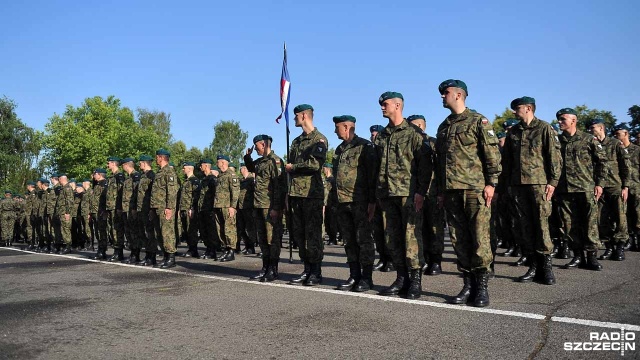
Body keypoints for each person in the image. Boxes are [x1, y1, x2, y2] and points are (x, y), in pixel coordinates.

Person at [435, 79, 501, 307]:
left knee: (480, 238)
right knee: (459, 239)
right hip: (451, 191)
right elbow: (440, 162)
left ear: (459, 95)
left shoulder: (478, 121)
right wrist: (441, 190)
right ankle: (468, 284)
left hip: (475, 189)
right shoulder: (444, 126)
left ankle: (481, 287)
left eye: (446, 92)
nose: (442, 96)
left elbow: (491, 155)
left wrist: (491, 182)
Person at [375, 92, 431, 299]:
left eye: (385, 104)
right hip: (388, 194)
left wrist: (420, 192)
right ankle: (401, 278)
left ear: (398, 106)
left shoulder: (414, 133)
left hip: (408, 194)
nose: (382, 107)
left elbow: (425, 166)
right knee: (393, 238)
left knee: (412, 238)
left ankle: (415, 281)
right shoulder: (382, 136)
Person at [501, 96, 562, 285]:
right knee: (524, 227)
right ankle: (533, 266)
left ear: (528, 108)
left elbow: (554, 156)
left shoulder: (544, 128)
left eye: (517, 108)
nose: (514, 111)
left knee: (542, 225)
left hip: (539, 185)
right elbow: (507, 162)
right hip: (518, 186)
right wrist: (507, 186)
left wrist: (552, 181)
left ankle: (546, 268)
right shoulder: (514, 132)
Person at [555, 108, 605, 271]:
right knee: (569, 224)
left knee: (590, 223)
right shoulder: (557, 141)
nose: (560, 122)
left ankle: (591, 256)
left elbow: (602, 163)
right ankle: (577, 256)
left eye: (563, 119)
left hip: (585, 187)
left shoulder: (588, 139)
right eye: (559, 119)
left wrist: (599, 184)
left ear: (573, 120)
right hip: (564, 189)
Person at [332, 115, 377, 291]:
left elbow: (372, 175)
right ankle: (354, 275)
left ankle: (366, 277)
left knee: (363, 240)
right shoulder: (339, 149)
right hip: (342, 202)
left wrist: (372, 201)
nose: (335, 131)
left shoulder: (364, 146)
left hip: (360, 201)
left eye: (337, 127)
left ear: (346, 127)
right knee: (349, 240)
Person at [286, 104, 328, 286]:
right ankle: (306, 269)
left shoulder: (319, 139)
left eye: (296, 116)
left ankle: (316, 271)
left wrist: (293, 167)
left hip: (312, 194)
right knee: (300, 234)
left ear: (304, 116)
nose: (294, 118)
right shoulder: (295, 142)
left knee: (313, 234)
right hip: (296, 193)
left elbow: (315, 165)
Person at [407, 114, 445, 276]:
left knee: (434, 227)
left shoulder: (434, 143)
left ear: (421, 126)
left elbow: (442, 168)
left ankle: (435, 261)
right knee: (418, 229)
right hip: (416, 192)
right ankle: (422, 259)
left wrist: (442, 192)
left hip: (433, 192)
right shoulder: (409, 143)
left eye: (413, 125)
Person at [244, 135, 285, 282]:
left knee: (271, 239)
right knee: (262, 239)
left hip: (269, 206)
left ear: (264, 144)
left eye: (257, 146)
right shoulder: (261, 162)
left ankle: (273, 269)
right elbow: (251, 168)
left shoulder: (275, 161)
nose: (255, 149)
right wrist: (247, 157)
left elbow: (279, 187)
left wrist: (276, 207)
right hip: (258, 204)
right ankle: (265, 267)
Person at [589, 118, 630, 261]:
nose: (590, 130)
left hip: (615, 186)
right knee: (600, 218)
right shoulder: (591, 143)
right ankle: (609, 247)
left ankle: (619, 247)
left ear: (601, 128)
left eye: (593, 127)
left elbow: (625, 165)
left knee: (620, 217)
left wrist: (626, 186)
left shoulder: (615, 143)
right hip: (598, 187)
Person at [369, 125, 393, 272]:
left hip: (386, 194)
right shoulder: (369, 150)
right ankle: (382, 257)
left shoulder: (384, 149)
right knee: (377, 230)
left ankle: (390, 259)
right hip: (375, 195)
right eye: (372, 134)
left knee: (388, 229)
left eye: (375, 134)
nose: (373, 136)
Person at [150, 149, 179, 268]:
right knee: (160, 233)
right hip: (157, 207)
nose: (156, 159)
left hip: (165, 208)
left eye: (157, 157)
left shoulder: (169, 172)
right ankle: (165, 256)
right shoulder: (159, 173)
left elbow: (172, 192)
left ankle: (171, 257)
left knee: (167, 233)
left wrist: (169, 207)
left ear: (161, 158)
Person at [614, 124, 640, 251]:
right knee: (624, 214)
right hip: (622, 187)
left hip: (636, 187)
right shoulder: (616, 149)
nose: (616, 137)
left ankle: (638, 239)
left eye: (618, 134)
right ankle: (629, 239)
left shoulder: (636, 150)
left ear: (626, 134)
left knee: (637, 213)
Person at [213, 155, 239, 262]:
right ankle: (225, 249)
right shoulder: (220, 176)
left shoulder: (231, 175)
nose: (217, 164)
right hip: (218, 205)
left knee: (229, 229)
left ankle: (231, 250)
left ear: (223, 162)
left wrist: (233, 206)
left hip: (227, 206)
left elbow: (235, 192)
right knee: (221, 229)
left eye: (218, 162)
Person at [136, 155, 157, 266]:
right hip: (141, 209)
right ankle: (148, 254)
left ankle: (152, 256)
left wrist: (151, 209)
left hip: (147, 209)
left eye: (140, 163)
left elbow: (152, 194)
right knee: (143, 232)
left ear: (144, 163)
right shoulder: (142, 176)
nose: (139, 165)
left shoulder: (152, 176)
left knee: (150, 233)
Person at [197, 159, 219, 260]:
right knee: (204, 231)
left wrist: (213, 209)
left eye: (201, 165)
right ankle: (208, 249)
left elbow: (216, 194)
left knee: (211, 231)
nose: (200, 167)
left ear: (206, 166)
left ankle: (212, 250)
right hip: (202, 209)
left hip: (209, 209)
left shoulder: (212, 179)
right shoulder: (204, 179)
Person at [105, 157, 126, 261]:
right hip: (110, 207)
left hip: (116, 207)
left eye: (108, 163)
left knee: (117, 230)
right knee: (112, 230)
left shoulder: (119, 176)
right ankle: (116, 251)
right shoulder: (111, 177)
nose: (107, 165)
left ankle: (119, 252)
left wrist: (119, 207)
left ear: (114, 164)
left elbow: (121, 192)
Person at [121, 158, 141, 263]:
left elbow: (136, 194)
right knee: (128, 232)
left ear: (126, 165)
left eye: (123, 165)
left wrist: (134, 208)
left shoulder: (136, 176)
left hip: (131, 209)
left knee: (134, 232)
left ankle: (135, 254)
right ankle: (133, 253)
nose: (122, 167)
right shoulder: (128, 178)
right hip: (125, 209)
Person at [179, 161, 201, 258]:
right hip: (184, 208)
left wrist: (192, 208)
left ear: (189, 168)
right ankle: (190, 248)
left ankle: (194, 249)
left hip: (190, 209)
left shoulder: (194, 181)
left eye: (184, 167)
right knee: (186, 230)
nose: (183, 169)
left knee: (191, 230)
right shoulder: (186, 181)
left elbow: (195, 196)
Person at [236, 163, 257, 255]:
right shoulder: (240, 181)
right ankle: (247, 245)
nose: (240, 170)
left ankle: (251, 247)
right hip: (240, 208)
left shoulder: (251, 180)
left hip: (249, 207)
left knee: (250, 229)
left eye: (241, 168)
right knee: (241, 228)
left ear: (245, 169)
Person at [91, 168, 109, 260]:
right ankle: (101, 249)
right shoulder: (97, 185)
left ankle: (102, 250)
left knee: (102, 232)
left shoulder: (104, 184)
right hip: (96, 211)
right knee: (98, 232)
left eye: (95, 174)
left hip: (101, 211)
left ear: (99, 174)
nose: (93, 176)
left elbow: (105, 199)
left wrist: (104, 210)